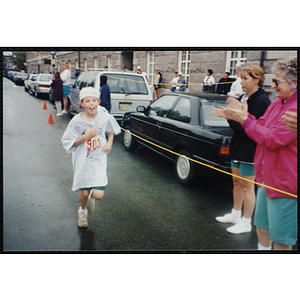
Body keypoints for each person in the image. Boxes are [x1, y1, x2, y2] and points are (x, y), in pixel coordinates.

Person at [213, 57, 297, 250]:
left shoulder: (294, 109)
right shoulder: (278, 103)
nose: (273, 86)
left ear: (294, 83)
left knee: (282, 240)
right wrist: (240, 116)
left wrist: (244, 119)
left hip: (285, 184)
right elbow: (260, 125)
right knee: (262, 229)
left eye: (277, 81)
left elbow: (272, 139)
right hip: (268, 178)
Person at [214, 65, 271, 234]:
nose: (241, 82)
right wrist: (231, 115)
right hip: (238, 145)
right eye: (241, 78)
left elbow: (250, 127)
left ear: (257, 80)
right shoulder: (246, 97)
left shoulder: (261, 101)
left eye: (245, 79)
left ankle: (246, 222)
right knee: (236, 182)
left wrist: (232, 116)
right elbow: (238, 124)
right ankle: (235, 214)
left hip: (250, 149)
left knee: (247, 186)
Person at [61, 87, 121, 228]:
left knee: (98, 194)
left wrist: (109, 143)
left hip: (99, 159)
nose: (91, 104)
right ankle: (82, 212)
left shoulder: (104, 117)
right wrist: (85, 137)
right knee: (84, 192)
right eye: (87, 101)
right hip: (83, 160)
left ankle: (90, 198)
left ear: (98, 102)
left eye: (94, 100)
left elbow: (111, 129)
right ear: (82, 103)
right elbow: (68, 142)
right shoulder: (76, 121)